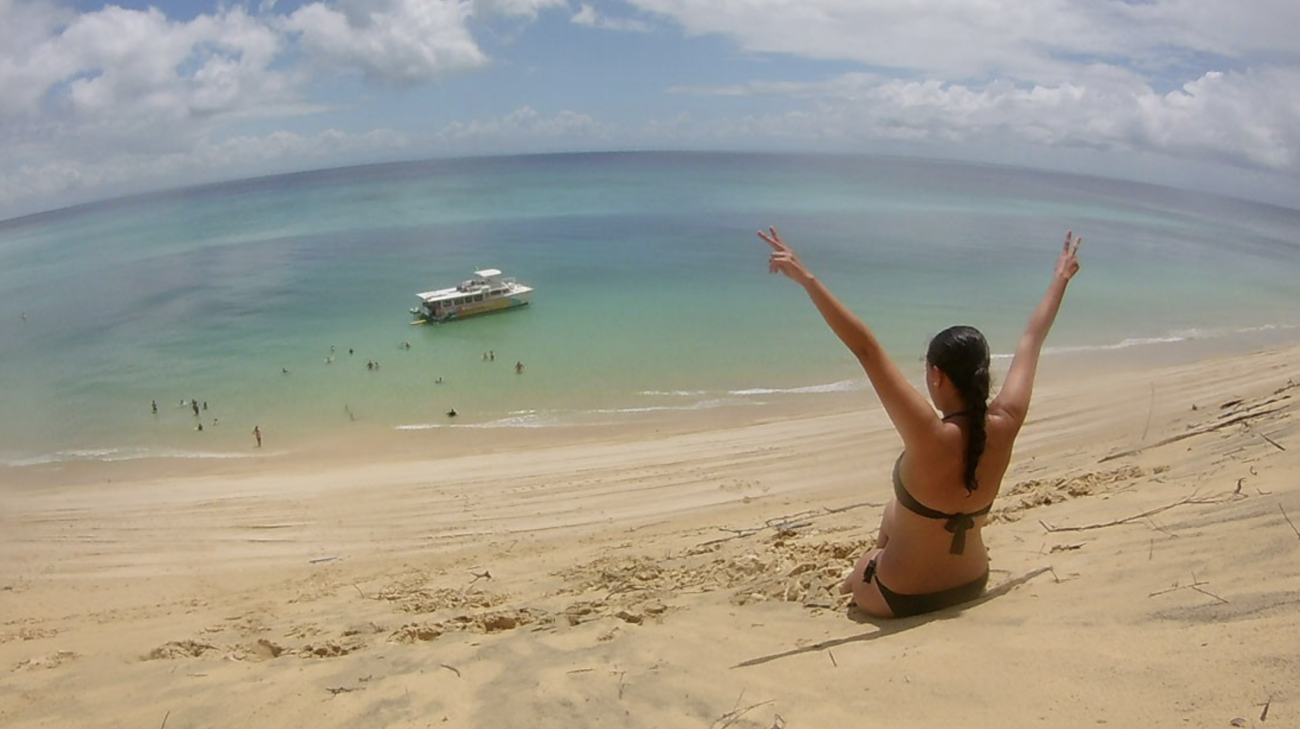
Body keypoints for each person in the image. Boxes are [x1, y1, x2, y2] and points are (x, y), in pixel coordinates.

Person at [760, 226, 1082, 618]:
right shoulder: (1007, 420)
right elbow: (1032, 338)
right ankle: (868, 567)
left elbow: (865, 347)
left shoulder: (930, 435)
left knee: (889, 518)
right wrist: (1061, 278)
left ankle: (858, 574)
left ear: (937, 375)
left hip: (899, 596)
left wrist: (807, 279)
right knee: (899, 508)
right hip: (972, 580)